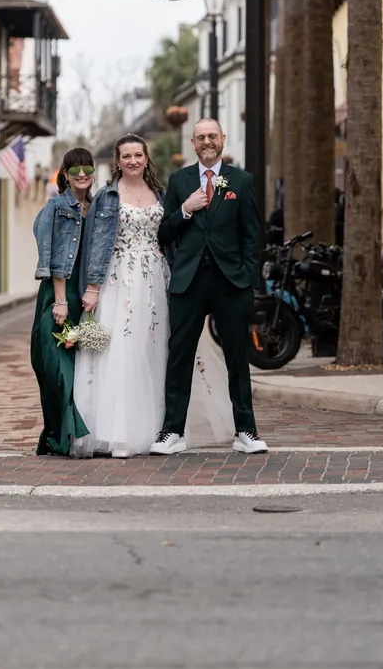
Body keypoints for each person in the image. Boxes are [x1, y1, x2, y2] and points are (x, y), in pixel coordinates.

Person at [73, 133, 233, 458]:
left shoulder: (161, 193)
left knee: (157, 351)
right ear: (117, 162)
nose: (133, 161)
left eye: (138, 155)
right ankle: (118, 433)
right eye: (126, 156)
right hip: (119, 280)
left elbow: (172, 233)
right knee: (120, 352)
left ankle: (161, 430)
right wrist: (92, 288)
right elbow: (96, 243)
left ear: (146, 158)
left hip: (159, 279)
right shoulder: (107, 196)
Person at [150, 117, 268, 456]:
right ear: (193, 142)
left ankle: (246, 430)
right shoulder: (179, 180)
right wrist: (185, 210)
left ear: (223, 140)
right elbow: (164, 234)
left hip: (230, 282)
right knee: (180, 357)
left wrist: (248, 280)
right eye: (200, 137)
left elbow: (251, 236)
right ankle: (172, 432)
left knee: (236, 357)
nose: (206, 142)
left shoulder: (242, 182)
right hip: (188, 281)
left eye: (212, 136)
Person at [30, 148, 95, 456]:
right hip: (58, 296)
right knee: (54, 368)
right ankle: (57, 434)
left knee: (80, 369)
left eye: (87, 168)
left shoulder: (97, 208)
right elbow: (50, 254)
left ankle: (70, 436)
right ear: (65, 174)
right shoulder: (56, 207)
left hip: (85, 296)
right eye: (75, 169)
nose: (82, 174)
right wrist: (59, 301)